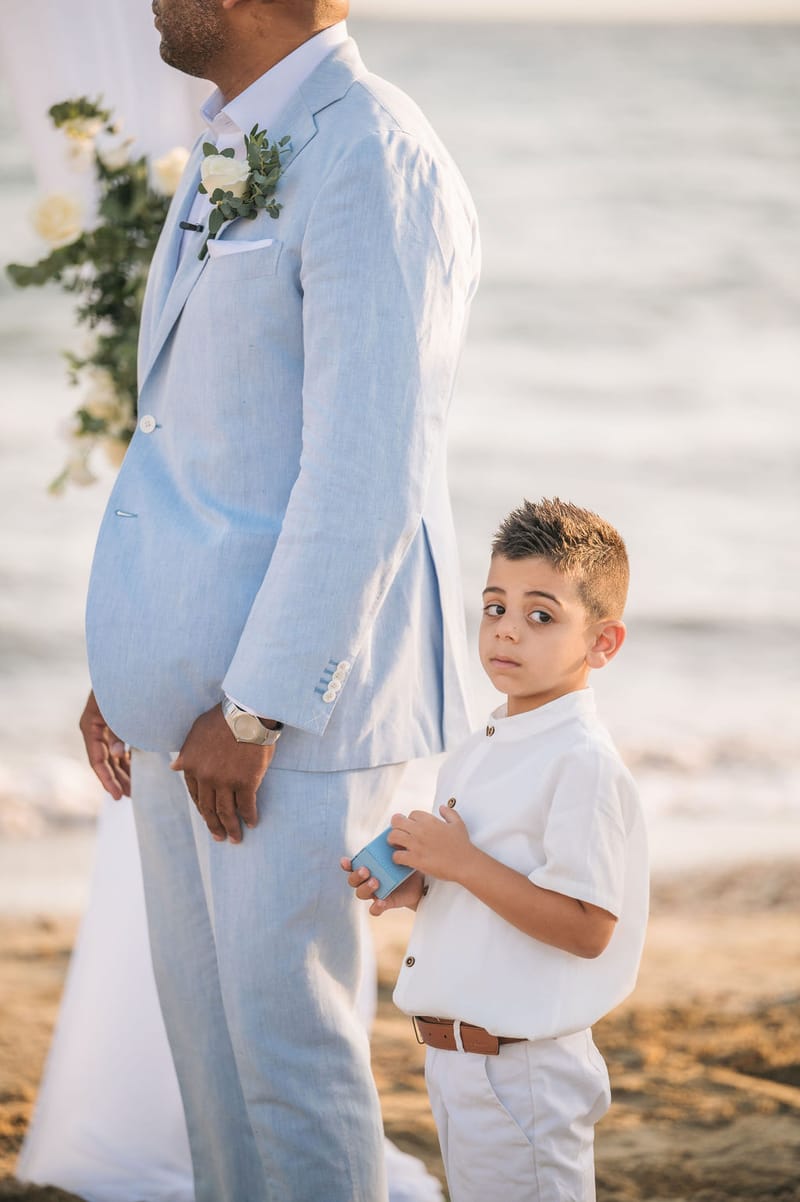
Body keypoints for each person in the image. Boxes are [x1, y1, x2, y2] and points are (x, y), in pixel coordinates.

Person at [78, 2, 480, 1200]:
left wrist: (252, 709)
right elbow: (192, 440)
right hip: (179, 703)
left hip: (279, 722)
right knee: (212, 1069)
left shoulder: (373, 155)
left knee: (289, 1067)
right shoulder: (239, 139)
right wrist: (128, 665)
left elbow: (365, 470)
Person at [343, 497, 649, 1202]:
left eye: (541, 615)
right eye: (494, 607)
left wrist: (462, 864)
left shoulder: (582, 762)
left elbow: (586, 927)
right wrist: (422, 885)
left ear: (602, 644)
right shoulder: (483, 748)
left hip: (525, 1072)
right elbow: (495, 889)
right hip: (455, 1062)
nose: (508, 631)